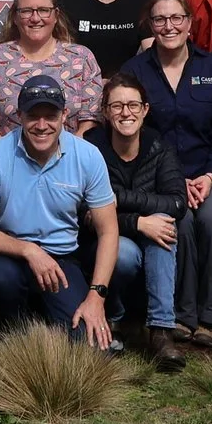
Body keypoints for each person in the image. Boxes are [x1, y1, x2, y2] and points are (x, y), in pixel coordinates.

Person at [117, 0, 212, 349]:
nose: (168, 26)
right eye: (159, 19)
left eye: (176, 19)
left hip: (206, 175)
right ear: (149, 25)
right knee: (177, 224)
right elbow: (133, 128)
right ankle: (182, 315)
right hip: (158, 180)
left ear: (189, 23)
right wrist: (173, 181)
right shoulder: (135, 71)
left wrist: (210, 175)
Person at [0, 73, 120, 346]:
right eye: (32, 116)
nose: (41, 125)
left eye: (50, 116)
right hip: (8, 255)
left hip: (61, 259)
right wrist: (29, 250)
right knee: (1, 277)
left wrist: (96, 297)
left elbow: (108, 231)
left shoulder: (88, 156)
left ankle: (57, 321)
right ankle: (7, 333)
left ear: (64, 116)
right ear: (20, 117)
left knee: (89, 349)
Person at [88, 71, 188, 369]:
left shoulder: (159, 146)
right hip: (104, 239)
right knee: (125, 250)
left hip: (151, 236)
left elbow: (178, 202)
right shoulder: (92, 149)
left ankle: (160, 332)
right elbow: (87, 212)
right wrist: (138, 223)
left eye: (133, 105)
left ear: (145, 110)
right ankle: (114, 318)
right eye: (117, 106)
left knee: (164, 225)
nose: (125, 113)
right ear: (105, 112)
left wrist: (121, 199)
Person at [0, 0, 106, 138]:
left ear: (56, 15)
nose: (35, 18)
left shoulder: (81, 58)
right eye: (26, 11)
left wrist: (68, 158)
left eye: (43, 10)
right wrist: (7, 160)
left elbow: (90, 120)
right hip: (8, 159)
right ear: (15, 17)